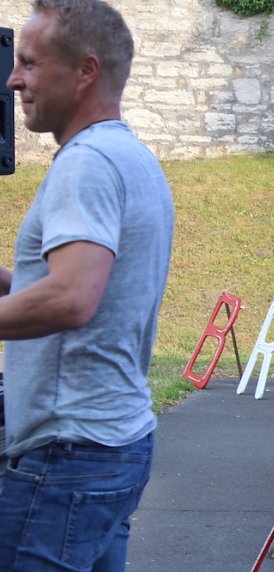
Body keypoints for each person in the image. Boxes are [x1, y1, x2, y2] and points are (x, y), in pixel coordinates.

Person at [0, 1, 174, 569]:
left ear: (85, 71)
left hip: (65, 454)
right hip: (113, 445)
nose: (13, 78)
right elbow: (75, 286)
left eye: (29, 63)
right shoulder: (133, 157)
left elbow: (72, 298)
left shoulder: (87, 162)